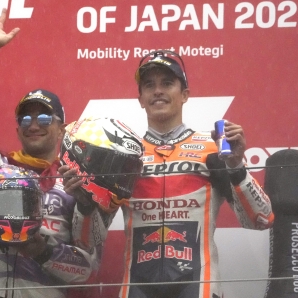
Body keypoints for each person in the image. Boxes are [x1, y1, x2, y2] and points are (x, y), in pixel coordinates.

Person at [61, 50, 274, 298]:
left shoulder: (215, 149)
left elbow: (262, 220)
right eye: (149, 85)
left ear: (185, 95)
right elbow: (87, 240)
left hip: (200, 288)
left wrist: (237, 167)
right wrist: (85, 203)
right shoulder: (122, 158)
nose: (158, 91)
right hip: (136, 289)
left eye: (167, 83)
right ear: (140, 98)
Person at [0, 2, 109, 298]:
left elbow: (89, 270)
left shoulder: (76, 183)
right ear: (17, 129)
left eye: (44, 117)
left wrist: (38, 248)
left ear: (61, 128)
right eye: (25, 118)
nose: (34, 124)